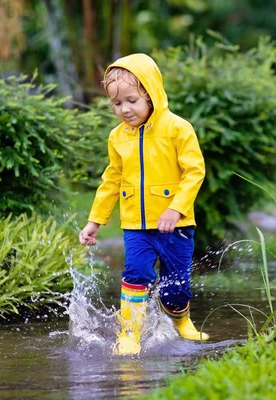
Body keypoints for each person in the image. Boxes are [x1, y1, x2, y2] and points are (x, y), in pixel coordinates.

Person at [78, 53, 208, 355]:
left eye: (132, 100)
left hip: (176, 224)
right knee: (135, 274)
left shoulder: (177, 128)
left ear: (151, 94)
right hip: (136, 224)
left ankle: (181, 319)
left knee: (176, 288)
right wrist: (94, 222)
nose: (125, 109)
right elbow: (111, 180)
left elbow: (195, 171)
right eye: (117, 103)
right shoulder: (117, 137)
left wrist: (175, 208)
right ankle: (130, 333)